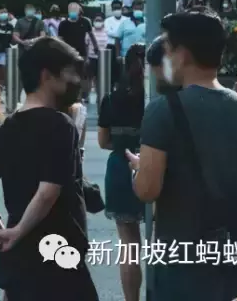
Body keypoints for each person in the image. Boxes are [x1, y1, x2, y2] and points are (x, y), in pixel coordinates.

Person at [126, 11, 237, 301]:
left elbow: (148, 190)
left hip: (180, 258)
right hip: (235, 255)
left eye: (169, 48)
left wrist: (138, 170)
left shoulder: (162, 110)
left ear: (183, 54)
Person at [0, 37, 99, 301]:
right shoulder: (60, 125)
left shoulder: (12, 124)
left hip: (21, 254)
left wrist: (5, 235)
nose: (76, 81)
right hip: (58, 248)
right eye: (70, 73)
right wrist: (16, 233)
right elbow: (48, 191)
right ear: (47, 76)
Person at [97, 44, 146, 301]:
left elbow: (103, 141)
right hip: (156, 166)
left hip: (120, 165)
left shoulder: (111, 98)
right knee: (167, 240)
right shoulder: (158, 99)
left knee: (129, 244)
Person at [57, 2, 100, 102]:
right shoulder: (63, 24)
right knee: (70, 74)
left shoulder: (85, 22)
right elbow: (60, 39)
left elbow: (91, 35)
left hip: (81, 52)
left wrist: (96, 47)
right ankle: (72, 95)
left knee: (82, 74)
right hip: (68, 53)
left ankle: (83, 95)